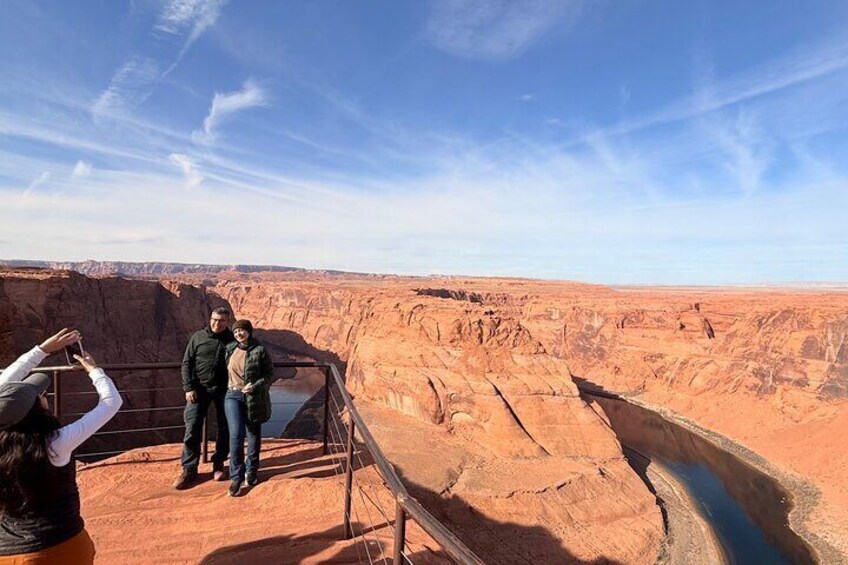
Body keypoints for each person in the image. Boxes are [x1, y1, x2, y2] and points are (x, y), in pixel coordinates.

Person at [0, 328, 122, 564]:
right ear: (37, 409)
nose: (45, 395)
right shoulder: (55, 443)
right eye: (41, 394)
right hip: (60, 548)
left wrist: (42, 350)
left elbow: (4, 392)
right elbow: (111, 403)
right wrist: (95, 370)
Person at [174, 307, 235, 489]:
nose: (217, 323)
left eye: (222, 321)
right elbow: (187, 363)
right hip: (198, 390)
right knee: (192, 426)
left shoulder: (232, 340)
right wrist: (188, 387)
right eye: (215, 319)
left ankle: (218, 464)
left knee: (224, 428)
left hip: (224, 390)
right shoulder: (198, 337)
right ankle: (189, 469)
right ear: (210, 319)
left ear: (228, 322)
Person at [223, 319, 273, 497]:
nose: (238, 334)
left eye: (241, 331)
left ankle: (251, 470)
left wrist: (256, 386)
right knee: (236, 435)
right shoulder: (230, 349)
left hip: (253, 397)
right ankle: (236, 477)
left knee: (253, 434)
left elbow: (269, 374)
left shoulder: (260, 350)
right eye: (236, 332)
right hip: (232, 395)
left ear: (249, 332)